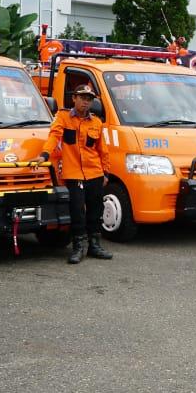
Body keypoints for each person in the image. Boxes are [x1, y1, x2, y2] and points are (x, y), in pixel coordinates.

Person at [34, 84, 115, 263]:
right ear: (74, 99)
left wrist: (106, 172)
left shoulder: (96, 122)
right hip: (74, 174)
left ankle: (95, 245)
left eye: (89, 99)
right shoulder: (63, 117)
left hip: (95, 173)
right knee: (77, 211)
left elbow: (103, 150)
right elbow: (54, 137)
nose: (86, 102)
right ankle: (79, 247)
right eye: (82, 98)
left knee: (95, 211)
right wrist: (44, 154)